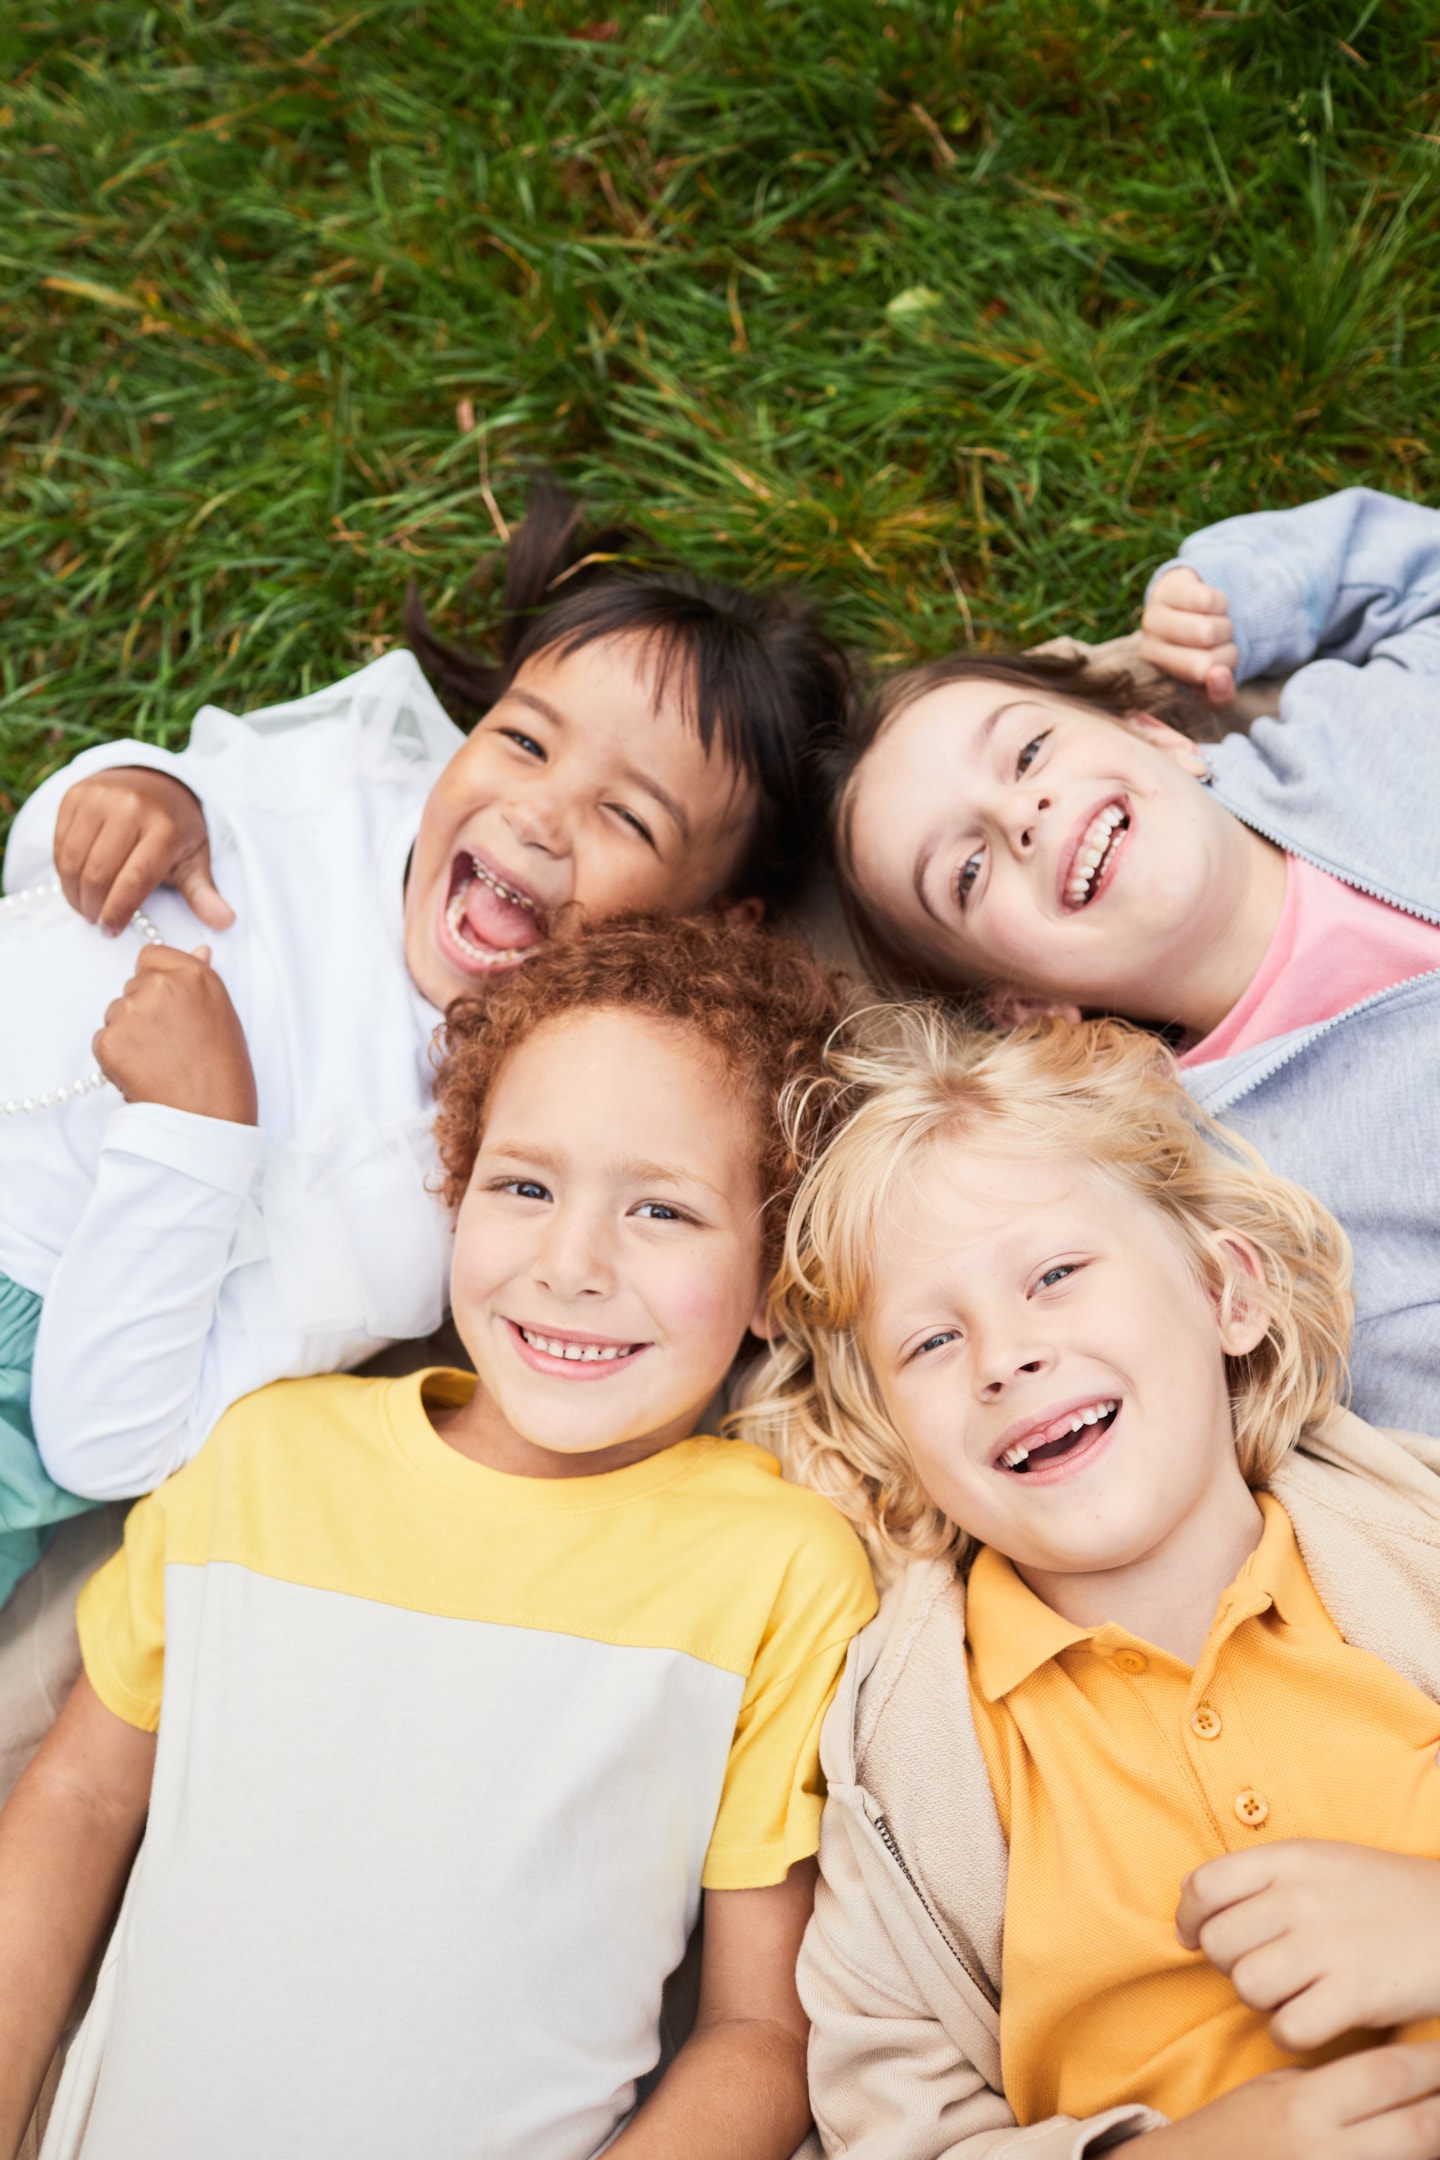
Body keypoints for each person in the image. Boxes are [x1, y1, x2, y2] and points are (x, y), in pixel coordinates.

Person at [0, 914, 877, 2160]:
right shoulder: (267, 1458)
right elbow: (79, 1797)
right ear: (455, 1192)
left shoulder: (779, 1569)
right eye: (524, 1187)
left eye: (664, 1213)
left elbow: (757, 2033)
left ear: (778, 1265)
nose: (572, 1263)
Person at [0, 480, 851, 1605]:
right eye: (526, 741)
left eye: (628, 816)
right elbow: (50, 876)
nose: (540, 814)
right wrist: (132, 788)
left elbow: (106, 1442)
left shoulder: (439, 1178)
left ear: (707, 925)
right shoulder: (350, 779)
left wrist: (193, 1134)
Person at [735, 1004, 1440, 2160]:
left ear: (1229, 1295)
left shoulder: (1414, 1553)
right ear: (895, 1441)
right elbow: (893, 2131)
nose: (1006, 1355)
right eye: (931, 1343)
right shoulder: (906, 1769)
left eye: (1056, 1274)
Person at [831, 487, 1440, 1433]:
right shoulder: (1247, 1177)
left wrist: (1231, 590)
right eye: (967, 871)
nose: (1020, 815)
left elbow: (1414, 571)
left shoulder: (1358, 725)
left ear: (1158, 734)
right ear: (1026, 1005)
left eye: (1030, 751)